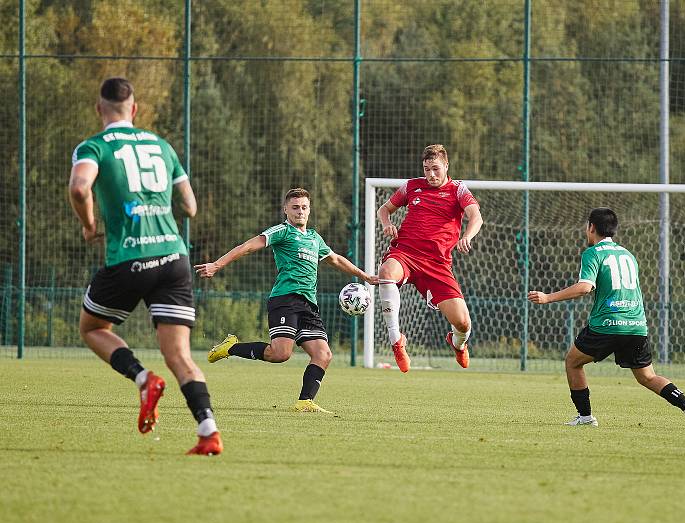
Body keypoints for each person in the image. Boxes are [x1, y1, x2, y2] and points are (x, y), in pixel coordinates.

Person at [69, 77, 222, 455]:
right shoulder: (161, 145)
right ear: (134, 110)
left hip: (129, 258)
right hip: (174, 258)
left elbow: (78, 187)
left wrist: (90, 225)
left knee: (92, 327)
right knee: (180, 356)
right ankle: (208, 431)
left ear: (99, 109)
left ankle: (141, 378)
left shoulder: (94, 146)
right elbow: (190, 206)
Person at [194, 188, 379, 413]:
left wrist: (366, 276)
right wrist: (216, 265)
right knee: (280, 354)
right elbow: (248, 247)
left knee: (323, 354)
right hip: (285, 299)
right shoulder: (282, 231)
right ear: (285, 209)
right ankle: (231, 347)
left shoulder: (314, 238)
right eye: (295, 207)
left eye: (304, 207)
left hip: (309, 305)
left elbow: (336, 259)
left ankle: (304, 402)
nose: (300, 211)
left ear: (309, 210)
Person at [528, 208, 685, 430]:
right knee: (647, 377)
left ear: (591, 227)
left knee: (573, 362)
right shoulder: (628, 255)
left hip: (606, 325)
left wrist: (548, 297)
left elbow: (585, 288)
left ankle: (585, 417)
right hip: (636, 325)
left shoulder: (593, 253)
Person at [376, 144, 483, 372]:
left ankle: (457, 343)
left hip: (437, 264)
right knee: (385, 273)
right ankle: (396, 340)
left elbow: (476, 217)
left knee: (463, 323)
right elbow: (384, 210)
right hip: (405, 252)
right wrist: (387, 225)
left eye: (435, 169)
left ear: (446, 166)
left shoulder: (458, 190)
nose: (431, 174)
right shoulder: (411, 187)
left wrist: (467, 235)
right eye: (426, 169)